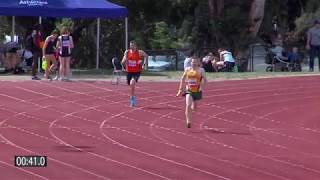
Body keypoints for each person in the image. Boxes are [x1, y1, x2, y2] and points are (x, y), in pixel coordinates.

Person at [176, 57, 207, 128]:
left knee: (194, 107)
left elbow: (205, 80)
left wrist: (201, 87)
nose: (193, 63)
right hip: (189, 90)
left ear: (198, 63)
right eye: (192, 62)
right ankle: (188, 121)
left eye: (195, 62)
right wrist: (180, 88)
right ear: (191, 63)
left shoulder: (201, 70)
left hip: (197, 91)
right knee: (188, 105)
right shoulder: (187, 69)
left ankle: (190, 112)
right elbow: (183, 78)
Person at [121, 40, 148, 107]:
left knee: (132, 83)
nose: (131, 47)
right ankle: (132, 95)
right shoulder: (127, 52)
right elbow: (122, 62)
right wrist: (125, 60)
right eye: (130, 45)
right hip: (129, 71)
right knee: (129, 84)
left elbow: (146, 56)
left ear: (136, 46)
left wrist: (144, 64)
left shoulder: (139, 52)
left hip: (136, 72)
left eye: (133, 45)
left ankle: (132, 98)